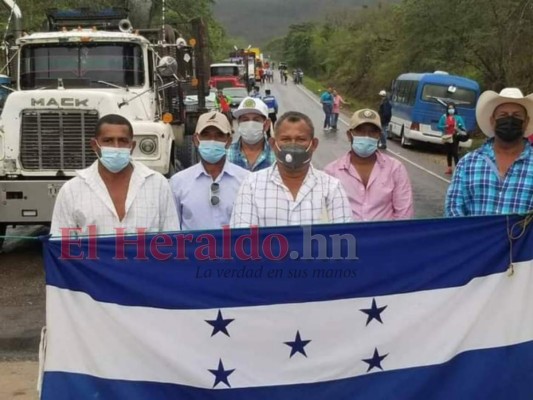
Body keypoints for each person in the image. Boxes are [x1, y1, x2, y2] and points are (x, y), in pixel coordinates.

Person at [50, 114, 179, 237]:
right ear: (94, 145)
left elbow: (171, 239)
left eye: (122, 141)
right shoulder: (71, 191)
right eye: (108, 140)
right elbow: (61, 246)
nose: (116, 147)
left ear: (132, 146)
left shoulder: (158, 184)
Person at [230, 111, 353, 227]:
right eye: (286, 139)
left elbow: (343, 240)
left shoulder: (331, 188)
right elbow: (243, 240)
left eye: (300, 139)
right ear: (273, 144)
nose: (293, 145)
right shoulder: (251, 185)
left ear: (314, 145)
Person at [445, 87, 533, 217]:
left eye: (516, 116)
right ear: (492, 121)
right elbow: (453, 210)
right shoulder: (468, 164)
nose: (509, 120)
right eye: (503, 115)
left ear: (526, 122)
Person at [324, 109, 414, 221]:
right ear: (349, 135)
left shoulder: (395, 169)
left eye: (372, 132)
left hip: (385, 237)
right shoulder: (332, 172)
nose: (366, 136)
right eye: (360, 131)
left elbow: (404, 214)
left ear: (379, 136)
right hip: (346, 237)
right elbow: (326, 215)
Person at [170, 111, 249, 230]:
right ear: (196, 140)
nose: (212, 140)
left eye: (219, 135)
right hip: (194, 248)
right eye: (206, 135)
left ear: (228, 141)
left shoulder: (246, 181)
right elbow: (172, 229)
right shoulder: (178, 183)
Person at [227, 97, 276, 171]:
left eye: (256, 120)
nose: (250, 124)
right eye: (245, 120)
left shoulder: (276, 157)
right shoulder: (226, 155)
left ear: (266, 125)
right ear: (238, 123)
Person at [437, 102, 466, 174]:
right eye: (449, 108)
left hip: (455, 136)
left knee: (455, 153)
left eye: (452, 108)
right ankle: (449, 168)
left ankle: (457, 169)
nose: (451, 110)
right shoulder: (444, 117)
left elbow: (463, 127)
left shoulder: (458, 118)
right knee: (448, 152)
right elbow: (439, 126)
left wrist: (459, 128)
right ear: (447, 109)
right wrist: (444, 127)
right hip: (447, 136)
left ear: (455, 109)